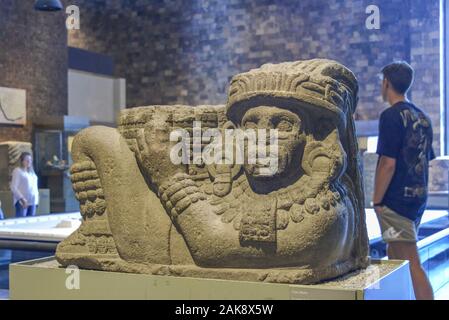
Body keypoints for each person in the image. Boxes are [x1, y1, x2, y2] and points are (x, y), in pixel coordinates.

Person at [373, 61, 435, 300]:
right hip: (417, 198)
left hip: (396, 201)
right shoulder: (423, 117)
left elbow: (387, 164)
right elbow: (424, 160)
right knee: (395, 254)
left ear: (386, 82)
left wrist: (377, 201)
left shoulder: (390, 116)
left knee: (410, 261)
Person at [10, 152, 39, 218]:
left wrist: (36, 200)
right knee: (21, 221)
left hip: (33, 202)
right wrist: (22, 199)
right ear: (22, 161)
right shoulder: (18, 171)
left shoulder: (32, 173)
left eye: (30, 160)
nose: (29, 161)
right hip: (22, 202)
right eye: (26, 160)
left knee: (31, 223)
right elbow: (13, 187)